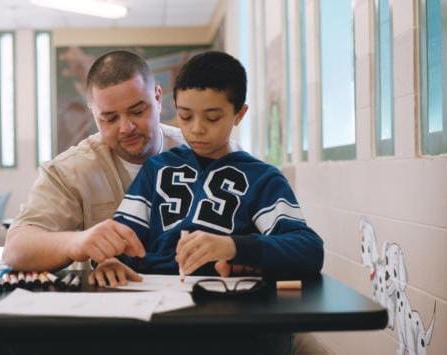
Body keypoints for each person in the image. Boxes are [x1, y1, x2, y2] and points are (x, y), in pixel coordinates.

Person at [89, 51, 324, 287]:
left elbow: (309, 250)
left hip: (224, 296)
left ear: (239, 114)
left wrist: (234, 246)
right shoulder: (157, 169)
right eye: (185, 116)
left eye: (212, 118)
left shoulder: (262, 178)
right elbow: (119, 238)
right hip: (153, 290)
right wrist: (108, 260)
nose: (197, 129)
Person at [2, 50, 188, 271]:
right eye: (109, 118)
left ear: (158, 98)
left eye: (137, 111)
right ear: (93, 113)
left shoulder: (203, 151)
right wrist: (75, 242)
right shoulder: (69, 171)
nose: (126, 127)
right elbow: (15, 250)